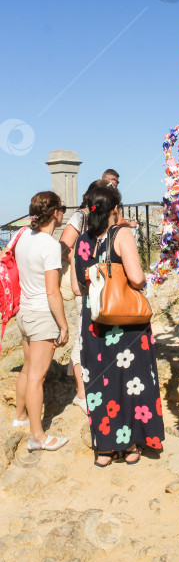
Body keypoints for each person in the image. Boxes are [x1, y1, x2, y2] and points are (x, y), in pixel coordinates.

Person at [71, 184, 164, 467]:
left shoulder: (82, 240)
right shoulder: (121, 234)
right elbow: (136, 278)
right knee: (131, 380)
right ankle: (131, 445)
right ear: (115, 210)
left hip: (95, 319)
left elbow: (77, 289)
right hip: (124, 322)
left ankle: (105, 448)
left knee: (99, 382)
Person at [12, 191, 69, 451]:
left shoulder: (22, 235)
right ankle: (37, 436)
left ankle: (20, 416)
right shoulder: (49, 245)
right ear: (55, 213)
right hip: (41, 315)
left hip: (23, 313)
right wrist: (63, 325)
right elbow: (52, 291)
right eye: (62, 209)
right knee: (37, 376)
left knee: (27, 369)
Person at [59, 180, 108, 414]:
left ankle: (91, 384)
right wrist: (77, 263)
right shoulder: (81, 217)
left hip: (97, 288)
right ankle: (81, 393)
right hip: (85, 287)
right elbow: (64, 246)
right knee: (81, 338)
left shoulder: (101, 220)